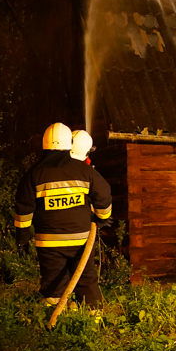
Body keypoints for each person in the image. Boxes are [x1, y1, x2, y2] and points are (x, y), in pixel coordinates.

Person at [14, 123, 112, 308]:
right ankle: (94, 319)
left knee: (53, 284)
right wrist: (101, 217)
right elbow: (104, 194)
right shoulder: (84, 171)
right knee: (86, 280)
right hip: (80, 240)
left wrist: (22, 236)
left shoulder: (34, 174)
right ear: (69, 144)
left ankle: (57, 323)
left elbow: (23, 208)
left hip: (49, 243)